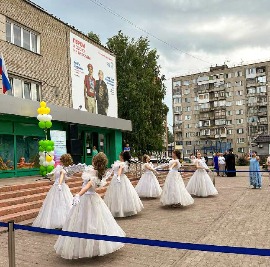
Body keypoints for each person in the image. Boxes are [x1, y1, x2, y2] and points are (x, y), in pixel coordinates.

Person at [54, 152, 125, 259]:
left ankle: (89, 246)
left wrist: (78, 194)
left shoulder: (94, 175)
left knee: (85, 221)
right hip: (93, 198)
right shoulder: (97, 172)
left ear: (95, 161)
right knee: (94, 221)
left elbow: (87, 186)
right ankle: (95, 244)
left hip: (87, 198)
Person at [32, 154, 73, 229]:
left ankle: (63, 222)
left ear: (64, 161)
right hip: (55, 187)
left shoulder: (64, 169)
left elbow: (61, 177)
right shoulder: (59, 167)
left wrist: (60, 184)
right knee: (54, 203)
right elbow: (55, 172)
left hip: (61, 187)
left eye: (61, 160)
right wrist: (50, 174)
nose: (60, 161)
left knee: (62, 203)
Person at [104, 151, 143, 217]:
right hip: (120, 178)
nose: (118, 156)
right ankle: (120, 208)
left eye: (119, 155)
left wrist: (118, 176)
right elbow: (113, 171)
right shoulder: (121, 163)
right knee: (121, 193)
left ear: (122, 156)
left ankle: (120, 209)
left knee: (119, 193)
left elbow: (120, 170)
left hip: (119, 178)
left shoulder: (122, 164)